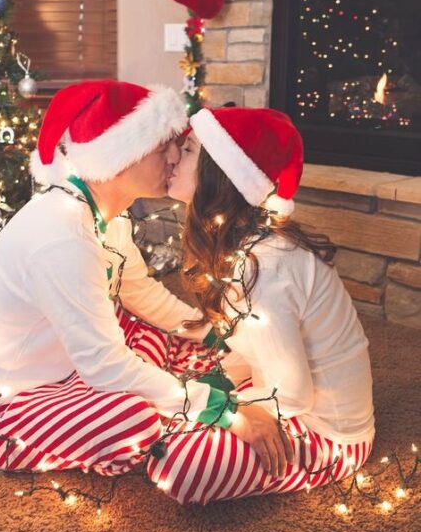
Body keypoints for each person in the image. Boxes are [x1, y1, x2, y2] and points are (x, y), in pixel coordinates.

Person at [0, 80, 235, 475]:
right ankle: (176, 409)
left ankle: (173, 392)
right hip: (3, 409)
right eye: (162, 145)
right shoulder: (63, 235)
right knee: (136, 417)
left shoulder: (104, 215)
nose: (174, 157)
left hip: (64, 365)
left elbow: (141, 292)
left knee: (139, 327)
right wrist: (204, 403)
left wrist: (212, 333)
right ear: (121, 156)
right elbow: (103, 365)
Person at [149, 106, 375, 505]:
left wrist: (226, 413)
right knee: (175, 389)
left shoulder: (264, 268)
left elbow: (291, 396)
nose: (173, 158)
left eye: (188, 150)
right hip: (278, 391)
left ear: (219, 173)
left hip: (330, 435)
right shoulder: (243, 246)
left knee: (175, 463)